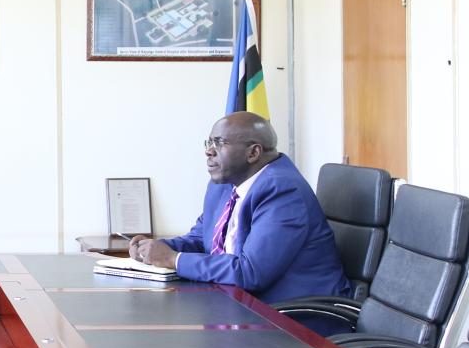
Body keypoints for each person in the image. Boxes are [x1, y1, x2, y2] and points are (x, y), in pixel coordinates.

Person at [130, 112, 350, 303]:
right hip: (237, 304)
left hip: (294, 317)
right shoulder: (224, 184)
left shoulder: (282, 191)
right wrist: (155, 249)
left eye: (219, 143)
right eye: (208, 143)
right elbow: (201, 239)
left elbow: (250, 272)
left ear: (253, 153)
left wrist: (172, 259)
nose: (209, 152)